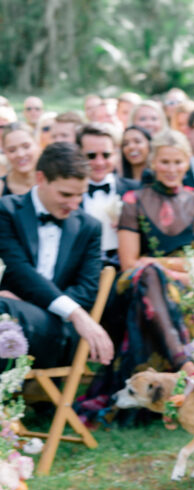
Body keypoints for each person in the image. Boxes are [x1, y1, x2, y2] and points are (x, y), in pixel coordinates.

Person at [0, 142, 113, 370]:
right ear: (40, 179)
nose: (74, 204)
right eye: (65, 194)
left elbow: (87, 290)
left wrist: (71, 313)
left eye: (80, 195)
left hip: (59, 331)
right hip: (11, 321)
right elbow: (19, 270)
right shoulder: (7, 210)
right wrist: (75, 313)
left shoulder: (89, 227)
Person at [116, 128, 194, 378]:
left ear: (186, 163)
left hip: (186, 281)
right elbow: (129, 263)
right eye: (164, 162)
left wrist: (159, 264)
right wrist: (164, 269)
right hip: (138, 283)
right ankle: (181, 360)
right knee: (149, 275)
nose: (171, 169)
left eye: (177, 162)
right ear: (153, 163)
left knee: (152, 270)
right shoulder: (133, 200)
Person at [78, 123, 137, 265]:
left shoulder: (134, 190)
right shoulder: (68, 195)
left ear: (116, 155)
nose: (99, 162)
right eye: (91, 156)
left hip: (124, 264)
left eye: (106, 155)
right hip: (82, 266)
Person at [0, 123, 39, 197]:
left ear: (37, 144)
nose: (20, 154)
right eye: (12, 150)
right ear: (5, 152)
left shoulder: (53, 180)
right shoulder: (1, 187)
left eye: (26, 147)